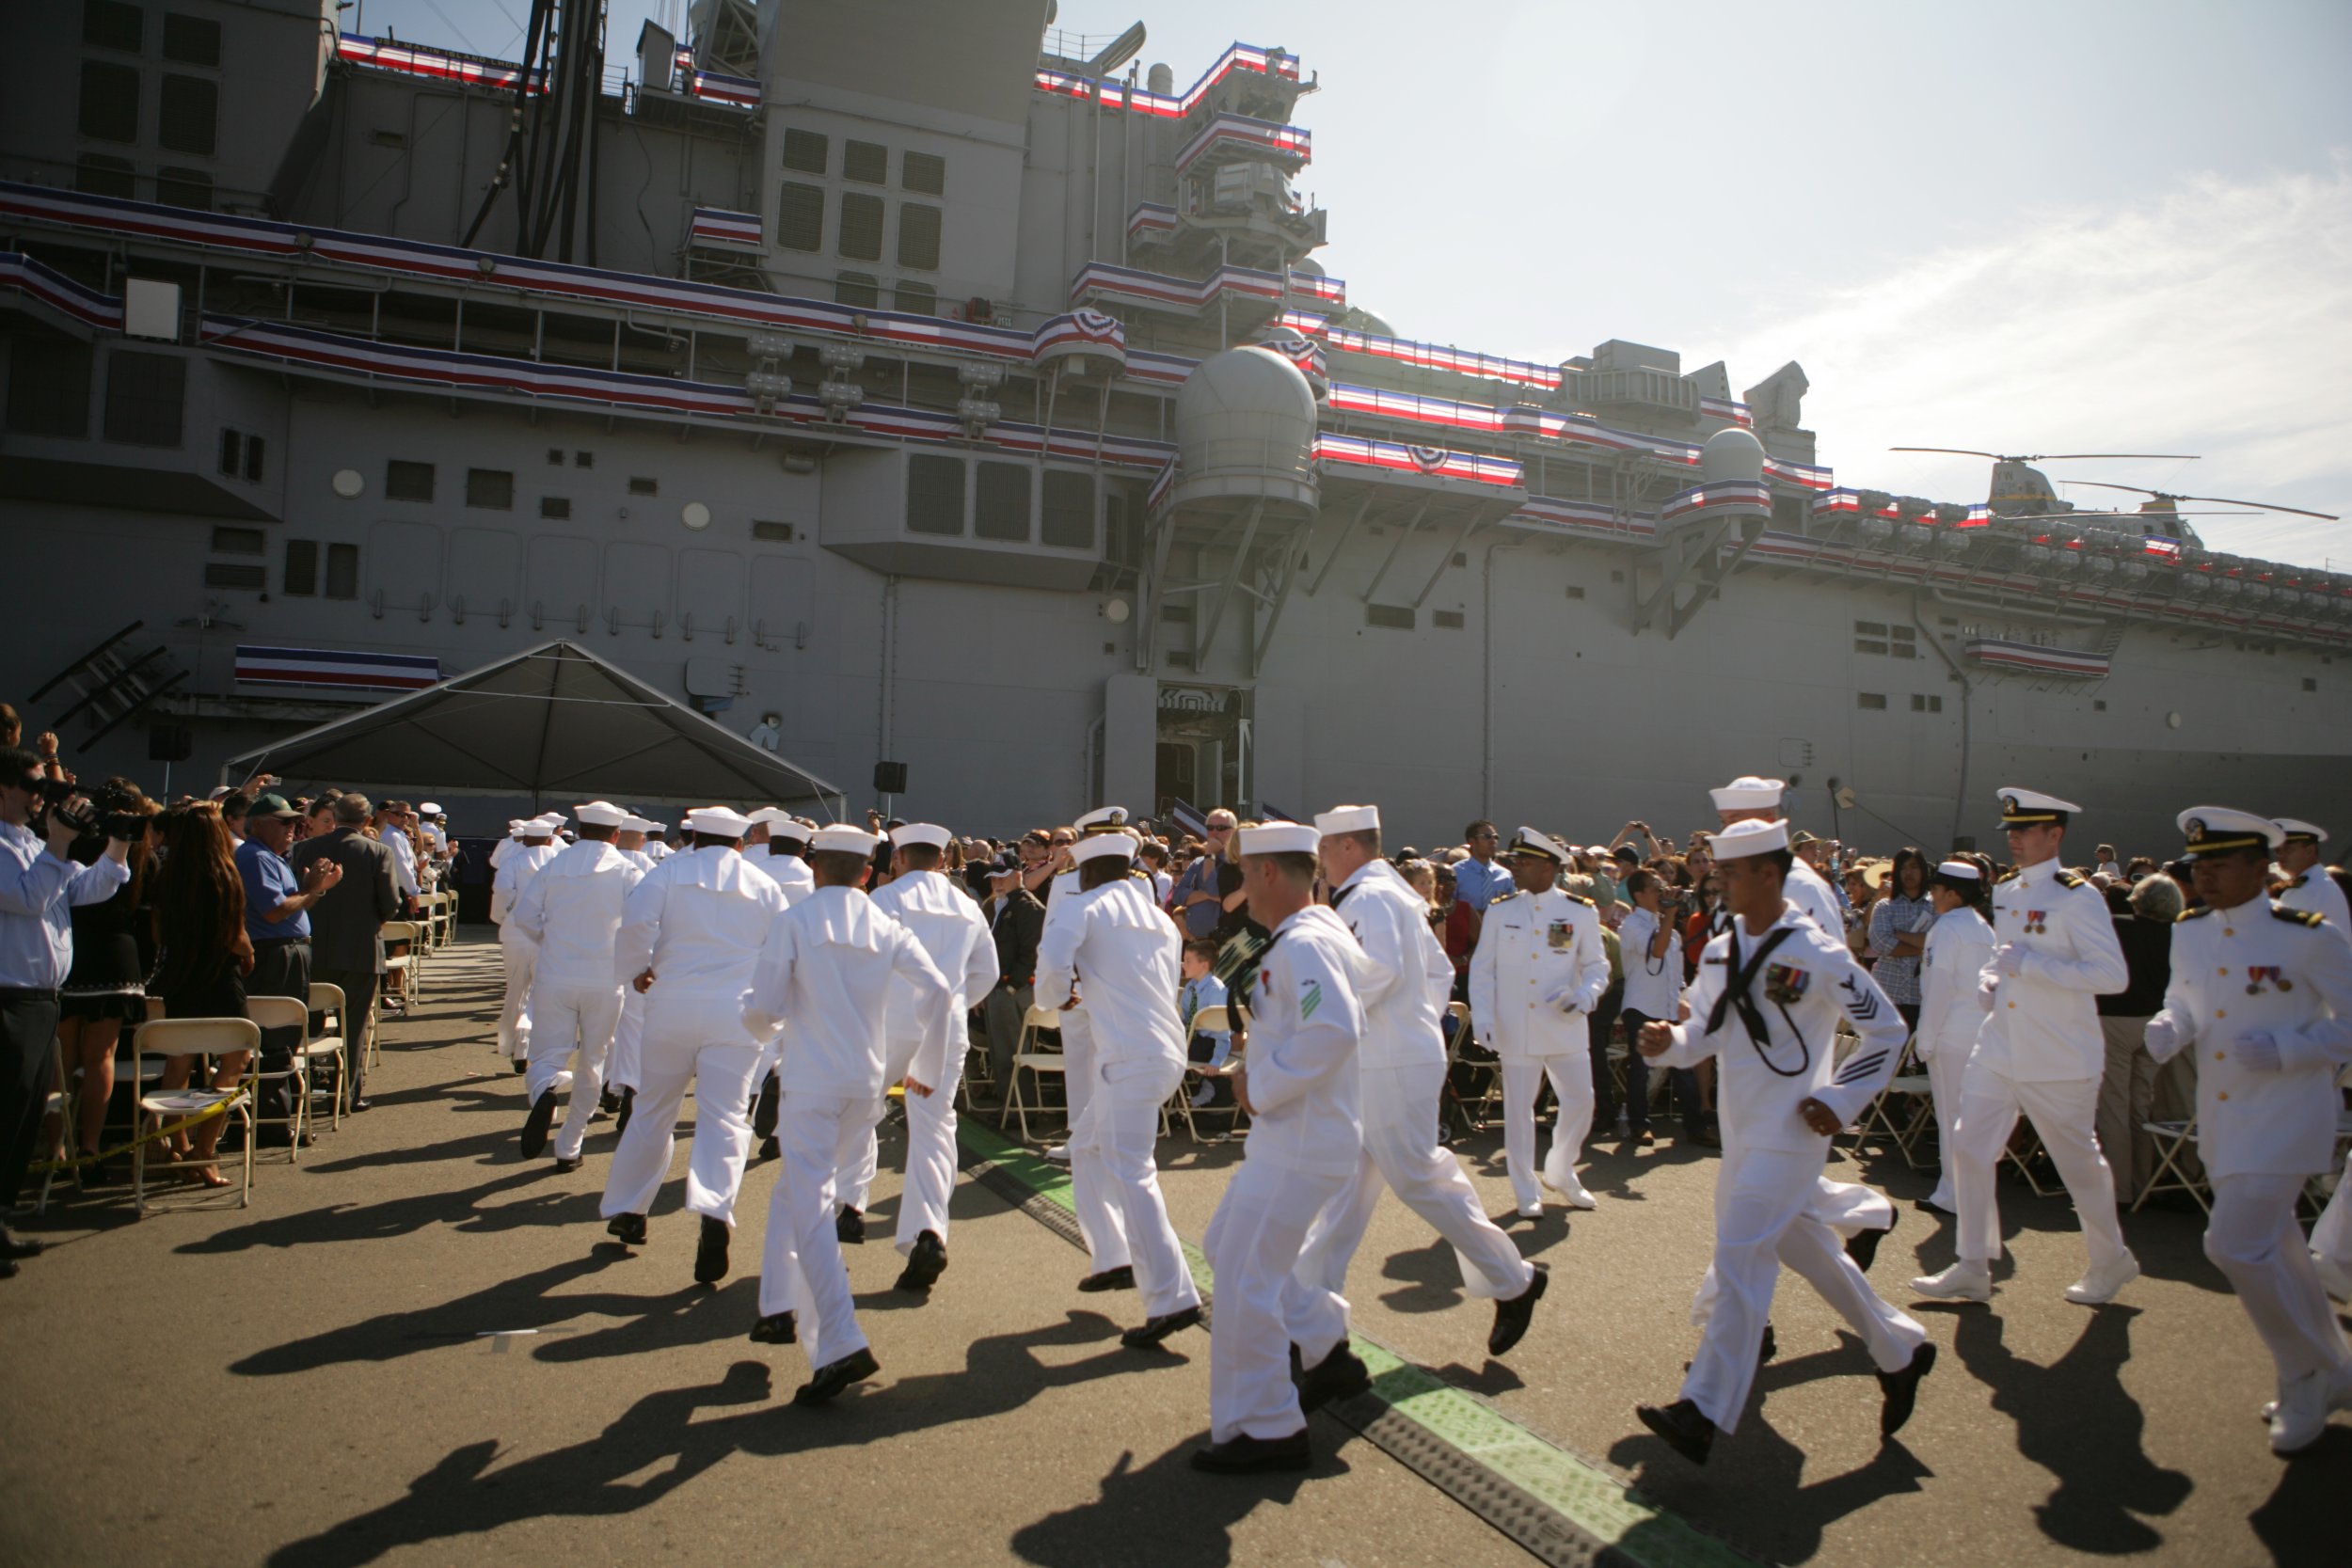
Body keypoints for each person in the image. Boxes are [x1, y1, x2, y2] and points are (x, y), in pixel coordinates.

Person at [1631, 817, 1929, 1465]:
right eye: (1718, 870)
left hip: (1793, 1133)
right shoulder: (1720, 950)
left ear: (1769, 874)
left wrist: (1842, 1099)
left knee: (1740, 1255)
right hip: (1742, 1134)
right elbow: (1704, 1035)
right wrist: (1667, 1042)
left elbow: (1886, 1030)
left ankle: (1703, 1407)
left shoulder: (1818, 953)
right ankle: (1900, 1346)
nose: (1718, 881)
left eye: (1731, 872)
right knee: (1812, 1253)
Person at [1288, 805, 1545, 1362]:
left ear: (1348, 846)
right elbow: (1436, 971)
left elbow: (1373, 975)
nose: (1320, 861)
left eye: (1324, 849)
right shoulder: (1389, 894)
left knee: (1417, 1177)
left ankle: (1514, 1279)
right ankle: (1307, 1318)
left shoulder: (1371, 898)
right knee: (1345, 1192)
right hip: (1386, 1056)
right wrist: (1412, 1023)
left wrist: (1310, 1014)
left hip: (1388, 1062)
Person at [2140, 808, 2352, 1454]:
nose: (2204, 875)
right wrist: (2173, 1025)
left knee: (2232, 1244)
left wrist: (2292, 1048)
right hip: (2224, 1115)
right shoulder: (2191, 930)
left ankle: (2304, 1372)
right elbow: (2185, 997)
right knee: (2282, 1249)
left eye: (2220, 863)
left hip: (2287, 1115)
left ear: (2262, 868)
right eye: (2199, 863)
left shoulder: (2307, 936)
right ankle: (2334, 1368)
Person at [742, 821, 956, 1404]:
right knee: (794, 1193)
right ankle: (777, 1305)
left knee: (809, 1204)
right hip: (864, 1081)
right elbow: (939, 991)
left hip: (811, 1079)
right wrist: (929, 1066)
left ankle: (838, 1340)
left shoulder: (795, 920)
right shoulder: (885, 925)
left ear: (815, 868)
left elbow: (764, 1007)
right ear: (866, 872)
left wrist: (756, 1023)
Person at [1912, 788, 2138, 1307]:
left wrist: (2032, 968)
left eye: (2024, 830)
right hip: (2000, 1045)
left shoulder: (2077, 896)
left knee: (2078, 1163)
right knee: (1969, 1146)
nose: (2013, 839)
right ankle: (1972, 1264)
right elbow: (2001, 955)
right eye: (2010, 830)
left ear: (2054, 835)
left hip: (2058, 1053)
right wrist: (1991, 979)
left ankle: (2111, 1260)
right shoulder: (2008, 891)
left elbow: (2111, 975)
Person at [1195, 820, 1366, 1474]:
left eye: (1244, 873)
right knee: (1225, 1248)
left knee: (1247, 1279)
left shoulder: (1305, 943)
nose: (1241, 886)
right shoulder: (1305, 937)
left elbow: (1333, 1031)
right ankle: (1324, 1345)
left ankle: (1266, 1425)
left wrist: (1256, 1086)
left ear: (1268, 872)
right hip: (1292, 1135)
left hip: (1299, 1136)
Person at [1034, 830, 1202, 1347]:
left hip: (1128, 1057)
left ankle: (1174, 1296)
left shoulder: (1081, 907)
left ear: (1085, 871)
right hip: (1161, 1053)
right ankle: (1113, 1256)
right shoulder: (1158, 918)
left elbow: (1051, 967)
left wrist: (1056, 998)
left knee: (1132, 1172)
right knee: (1086, 1149)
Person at [600, 807, 785, 1281]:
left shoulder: (668, 873)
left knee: (652, 1109)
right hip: (736, 1014)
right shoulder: (763, 884)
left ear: (695, 839)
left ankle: (630, 1210)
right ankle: (715, 1210)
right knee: (725, 1117)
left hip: (673, 1005)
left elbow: (635, 925)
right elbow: (781, 949)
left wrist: (634, 971)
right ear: (740, 843)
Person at [1, 750, 131, 1269]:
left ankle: (2, 1216)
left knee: (22, 1116)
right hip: (8, 997)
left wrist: (119, 842)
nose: (42, 797)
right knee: (5, 1112)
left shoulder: (33, 843)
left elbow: (85, 889)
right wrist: (58, 842)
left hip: (39, 998)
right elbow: (28, 899)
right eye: (34, 787)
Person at [868, 822, 997, 1291]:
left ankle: (843, 1208)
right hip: (945, 1028)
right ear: (942, 860)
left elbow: (864, 964)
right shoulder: (966, 905)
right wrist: (956, 1006)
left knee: (855, 1114)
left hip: (889, 1022)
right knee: (935, 1129)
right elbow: (987, 971)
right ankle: (928, 1233)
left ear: (899, 859)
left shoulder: (884, 899)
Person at [1468, 827, 1610, 1215]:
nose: (1515, 868)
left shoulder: (1579, 911)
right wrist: (1483, 1015)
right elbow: (1483, 969)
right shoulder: (1501, 910)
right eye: (1515, 861)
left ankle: (1561, 1170)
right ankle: (1525, 1189)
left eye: (1524, 862)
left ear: (1548, 868)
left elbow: (1596, 965)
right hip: (1516, 1026)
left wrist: (1586, 995)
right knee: (1518, 1112)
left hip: (1564, 1024)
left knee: (1581, 1101)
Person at [510, 802, 643, 1170]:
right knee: (593, 1061)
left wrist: (551, 942)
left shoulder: (555, 865)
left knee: (548, 1054)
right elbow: (642, 923)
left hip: (556, 975)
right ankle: (569, 1145)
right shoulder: (627, 870)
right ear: (615, 835)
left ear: (581, 831)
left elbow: (524, 916)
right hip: (605, 979)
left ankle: (545, 1089)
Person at [150, 802, 255, 1184]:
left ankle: (176, 1145)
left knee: (177, 1065)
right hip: (220, 978)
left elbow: (157, 933)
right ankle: (204, 1149)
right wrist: (250, 954)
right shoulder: (225, 875)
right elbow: (236, 936)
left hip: (180, 978)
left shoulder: (167, 877)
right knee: (234, 1062)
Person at [57, 787, 157, 1179]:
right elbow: (148, 915)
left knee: (63, 1057)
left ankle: (58, 1148)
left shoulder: (72, 844)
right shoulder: (142, 853)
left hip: (72, 948)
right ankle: (90, 1147)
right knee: (101, 1057)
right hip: (117, 953)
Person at [235, 793, 341, 1143]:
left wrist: (314, 891)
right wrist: (312, 890)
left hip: (284, 953)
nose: (292, 829)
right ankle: (269, 1123)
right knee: (274, 1038)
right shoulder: (255, 857)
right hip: (273, 955)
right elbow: (275, 911)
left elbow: (287, 906)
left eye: (295, 823)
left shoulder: (269, 857)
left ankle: (273, 1120)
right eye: (284, 823)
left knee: (282, 1038)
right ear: (257, 824)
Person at [289, 792, 399, 1112]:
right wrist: (371, 922)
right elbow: (390, 902)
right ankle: (345, 1093)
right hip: (360, 950)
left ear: (335, 817)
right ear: (367, 820)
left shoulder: (305, 849)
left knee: (307, 1022)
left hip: (312, 947)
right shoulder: (377, 851)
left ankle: (302, 1084)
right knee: (352, 1026)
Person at [1915, 860, 1995, 1213]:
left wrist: (1925, 1039)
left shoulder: (1947, 928)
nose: (1932, 896)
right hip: (1982, 1031)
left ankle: (1953, 1194)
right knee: (1973, 1118)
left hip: (1951, 1032)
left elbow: (1939, 987)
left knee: (1951, 1117)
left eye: (1936, 889)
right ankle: (1972, 1191)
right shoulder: (1983, 927)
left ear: (1952, 893)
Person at [2094, 873, 2177, 1201]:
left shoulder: (2118, 928)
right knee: (2140, 1105)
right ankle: (2143, 1182)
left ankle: (2119, 1188)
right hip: (2155, 1021)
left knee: (2114, 1104)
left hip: (2116, 1019)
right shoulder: (2177, 933)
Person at [1615, 868, 1685, 1147]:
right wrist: (1669, 916)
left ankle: (1697, 1124)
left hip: (1669, 1007)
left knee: (1684, 1064)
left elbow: (1675, 974)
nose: (1662, 893)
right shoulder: (1631, 925)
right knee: (1641, 1069)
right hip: (1641, 1006)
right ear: (1638, 894)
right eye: (1656, 889)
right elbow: (1656, 950)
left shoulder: (1671, 930)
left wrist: (1682, 1001)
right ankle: (1638, 1125)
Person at [489, 816, 564, 1068]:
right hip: (550, 934)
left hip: (516, 932)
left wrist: (502, 917)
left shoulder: (513, 861)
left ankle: (511, 1045)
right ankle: (526, 1046)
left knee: (516, 990)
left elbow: (502, 891)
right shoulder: (560, 861)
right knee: (540, 994)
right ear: (550, 839)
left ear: (524, 840)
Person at [977, 863, 1045, 1106]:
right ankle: (1009, 1105)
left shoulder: (1027, 907)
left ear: (1017, 876)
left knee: (1011, 1052)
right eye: (993, 879)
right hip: (999, 987)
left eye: (1002, 878)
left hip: (1013, 989)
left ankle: (1018, 1108)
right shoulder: (1000, 904)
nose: (997, 883)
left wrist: (1012, 986)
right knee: (1002, 1052)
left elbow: (1032, 952)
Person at [1867, 849, 1935, 1031]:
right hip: (1887, 991)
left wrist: (1899, 935)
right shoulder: (1884, 906)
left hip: (1920, 994)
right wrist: (1921, 947)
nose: (1908, 873)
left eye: (1914, 867)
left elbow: (1937, 941)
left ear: (1923, 870)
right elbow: (1880, 943)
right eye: (1903, 868)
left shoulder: (1935, 906)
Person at [2273, 818, 2349, 930]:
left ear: (2310, 851)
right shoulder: (2313, 883)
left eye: (2288, 850)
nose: (2281, 856)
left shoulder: (2313, 888)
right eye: (2278, 851)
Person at [1171, 809, 1237, 938]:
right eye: (1210, 828)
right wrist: (1207, 895)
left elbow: (1213, 891)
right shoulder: (1198, 862)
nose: (1214, 832)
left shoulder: (1238, 862)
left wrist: (1210, 854)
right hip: (1197, 940)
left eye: (1221, 828)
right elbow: (1177, 895)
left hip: (1225, 939)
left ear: (1234, 831)